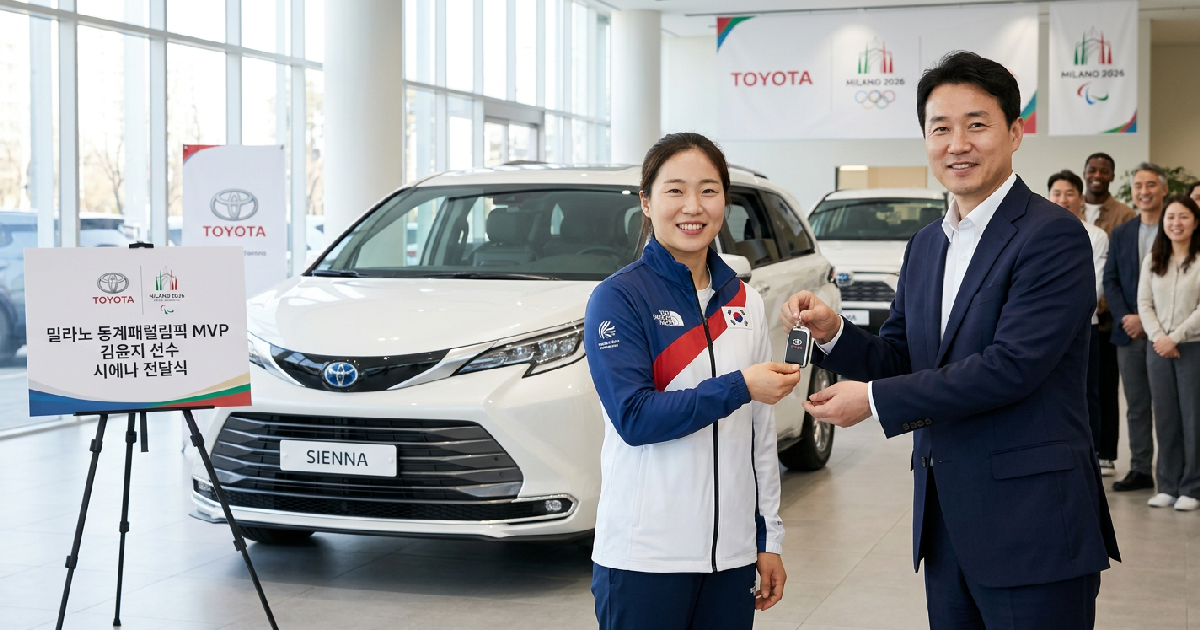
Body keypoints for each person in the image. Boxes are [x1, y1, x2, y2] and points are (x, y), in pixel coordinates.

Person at [779, 52, 1119, 628]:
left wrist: (874, 402)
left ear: (1015, 133)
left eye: (976, 124)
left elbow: (1011, 367)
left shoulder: (1052, 236)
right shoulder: (925, 245)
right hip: (946, 524)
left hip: (1031, 525)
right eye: (940, 128)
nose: (957, 144)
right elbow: (902, 357)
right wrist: (835, 332)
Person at [584, 132, 794, 630]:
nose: (693, 207)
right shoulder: (619, 298)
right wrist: (739, 386)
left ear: (725, 201)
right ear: (646, 202)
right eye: (675, 190)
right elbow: (635, 418)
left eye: (708, 190)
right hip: (645, 557)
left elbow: (760, 435)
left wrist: (768, 539)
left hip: (732, 558)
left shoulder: (744, 300)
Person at [1104, 163, 1169, 492]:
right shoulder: (1122, 233)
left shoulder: (1177, 226)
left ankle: (1173, 471)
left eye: (1151, 185)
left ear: (1164, 190)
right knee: (1137, 406)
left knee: (1169, 406)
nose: (1144, 191)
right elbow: (1111, 280)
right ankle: (1141, 469)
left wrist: (1150, 321)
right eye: (1139, 186)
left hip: (1168, 333)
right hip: (1129, 333)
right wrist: (1126, 318)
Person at [1138, 195, 1200, 511]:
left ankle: (1192, 487)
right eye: (1170, 217)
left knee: (1193, 419)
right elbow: (1144, 303)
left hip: (1193, 347)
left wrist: (1174, 337)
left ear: (1196, 222)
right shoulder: (1153, 259)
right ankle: (1168, 485)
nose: (1176, 223)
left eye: (1183, 216)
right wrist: (1160, 337)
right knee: (1165, 419)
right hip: (1158, 348)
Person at [1049, 170, 1109, 457]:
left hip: (1085, 328)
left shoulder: (1096, 236)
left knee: (1086, 393)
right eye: (1057, 193)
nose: (1063, 199)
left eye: (1069, 193)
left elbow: (1094, 286)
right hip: (1044, 331)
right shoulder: (1037, 234)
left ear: (1081, 199)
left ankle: (1091, 455)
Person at [1082, 153, 1135, 476]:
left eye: (1104, 171)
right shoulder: (1070, 212)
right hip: (1078, 321)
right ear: (1084, 173)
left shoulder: (1125, 215)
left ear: (1112, 176)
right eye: (1092, 170)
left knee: (1104, 388)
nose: (1097, 175)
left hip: (1107, 320)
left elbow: (1122, 269)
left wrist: (1099, 306)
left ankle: (1107, 453)